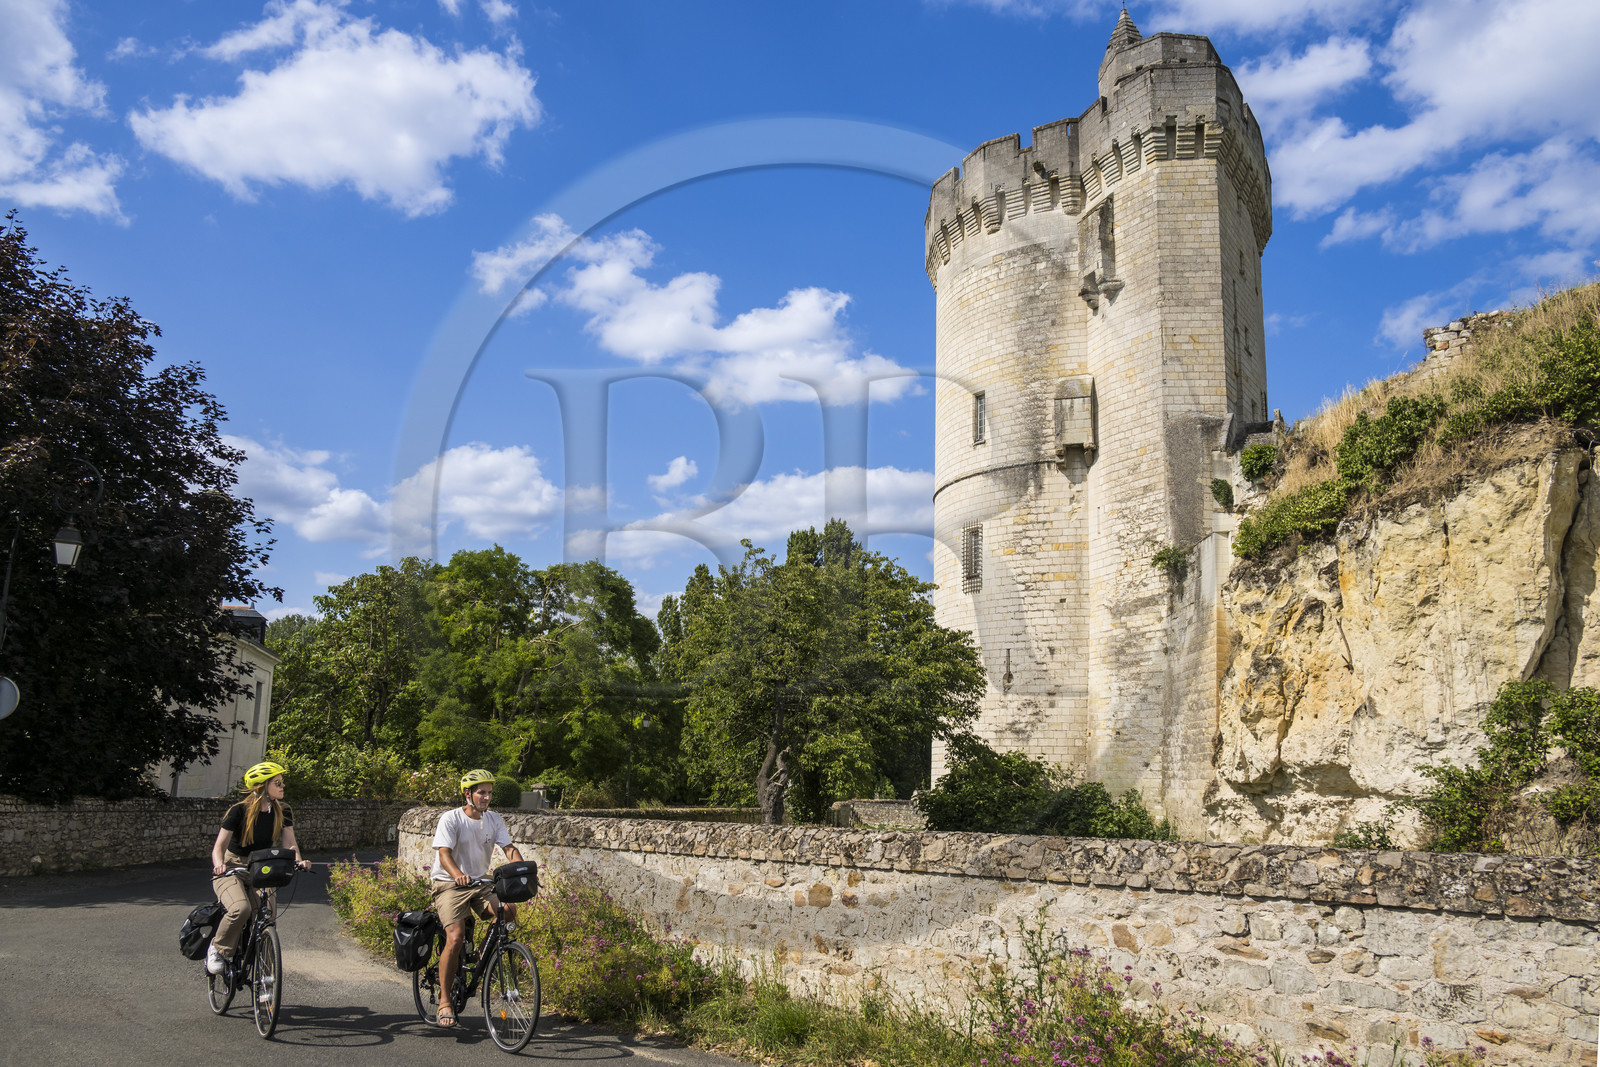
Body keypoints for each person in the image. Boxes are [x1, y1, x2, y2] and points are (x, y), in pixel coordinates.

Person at [430, 768, 526, 1028]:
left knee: (508, 910)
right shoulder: (451, 819)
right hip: (450, 883)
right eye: (481, 792)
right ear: (468, 794)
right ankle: (445, 1001)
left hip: (480, 883)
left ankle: (482, 953)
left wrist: (522, 870)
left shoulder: (494, 819)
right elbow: (444, 855)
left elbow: (509, 849)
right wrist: (458, 875)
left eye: (489, 793)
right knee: (456, 936)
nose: (486, 797)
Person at [205, 761, 311, 976]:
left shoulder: (283, 811)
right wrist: (219, 865)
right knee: (240, 909)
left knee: (267, 917)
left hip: (261, 868)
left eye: (282, 782)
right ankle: (218, 949)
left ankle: (266, 976)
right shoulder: (238, 811)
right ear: (262, 785)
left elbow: (289, 843)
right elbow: (219, 847)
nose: (283, 786)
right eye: (277, 783)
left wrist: (298, 860)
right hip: (232, 866)